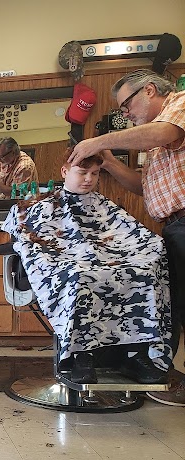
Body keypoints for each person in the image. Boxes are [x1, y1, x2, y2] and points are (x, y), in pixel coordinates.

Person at [2, 152, 172, 385]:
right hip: (65, 265)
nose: (88, 179)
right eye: (82, 173)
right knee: (81, 277)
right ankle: (81, 356)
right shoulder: (40, 206)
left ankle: (134, 354)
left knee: (142, 274)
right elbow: (28, 240)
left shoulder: (104, 206)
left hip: (108, 262)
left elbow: (133, 237)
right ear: (65, 172)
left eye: (95, 173)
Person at [69, 69, 185, 404]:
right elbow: (143, 188)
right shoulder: (156, 142)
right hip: (174, 225)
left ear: (149, 90)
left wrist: (100, 141)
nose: (126, 114)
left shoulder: (178, 106)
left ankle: (150, 364)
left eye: (126, 106)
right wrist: (106, 163)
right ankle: (139, 362)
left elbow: (161, 133)